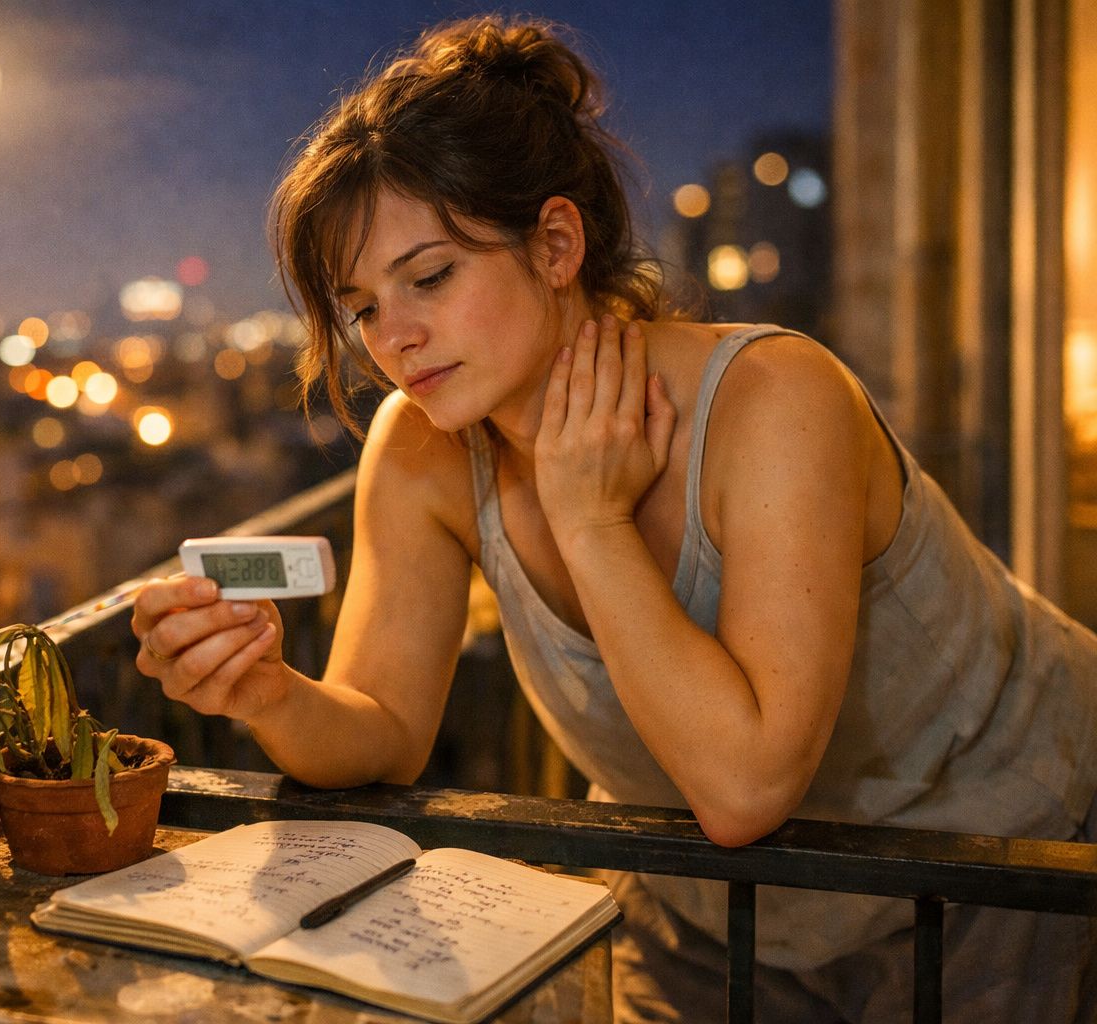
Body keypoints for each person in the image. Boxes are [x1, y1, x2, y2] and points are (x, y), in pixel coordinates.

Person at [131, 15, 1097, 1022]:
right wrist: (265, 690)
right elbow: (382, 734)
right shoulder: (420, 448)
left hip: (1003, 859)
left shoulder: (774, 400)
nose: (394, 340)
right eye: (363, 306)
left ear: (555, 243)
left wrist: (588, 520)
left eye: (430, 277)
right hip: (713, 908)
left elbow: (744, 788)